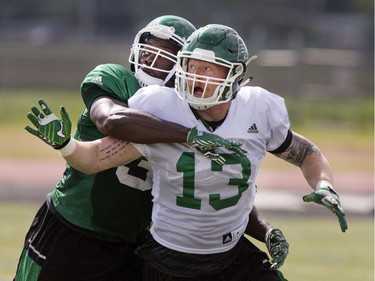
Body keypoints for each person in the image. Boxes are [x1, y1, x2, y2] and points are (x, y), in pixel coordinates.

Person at [24, 23, 349, 281]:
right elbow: (97, 150)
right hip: (138, 248)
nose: (196, 75)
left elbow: (229, 187)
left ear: (234, 74)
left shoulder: (258, 109)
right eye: (192, 66)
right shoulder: (158, 112)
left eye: (209, 68)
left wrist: (317, 190)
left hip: (192, 248)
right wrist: (65, 144)